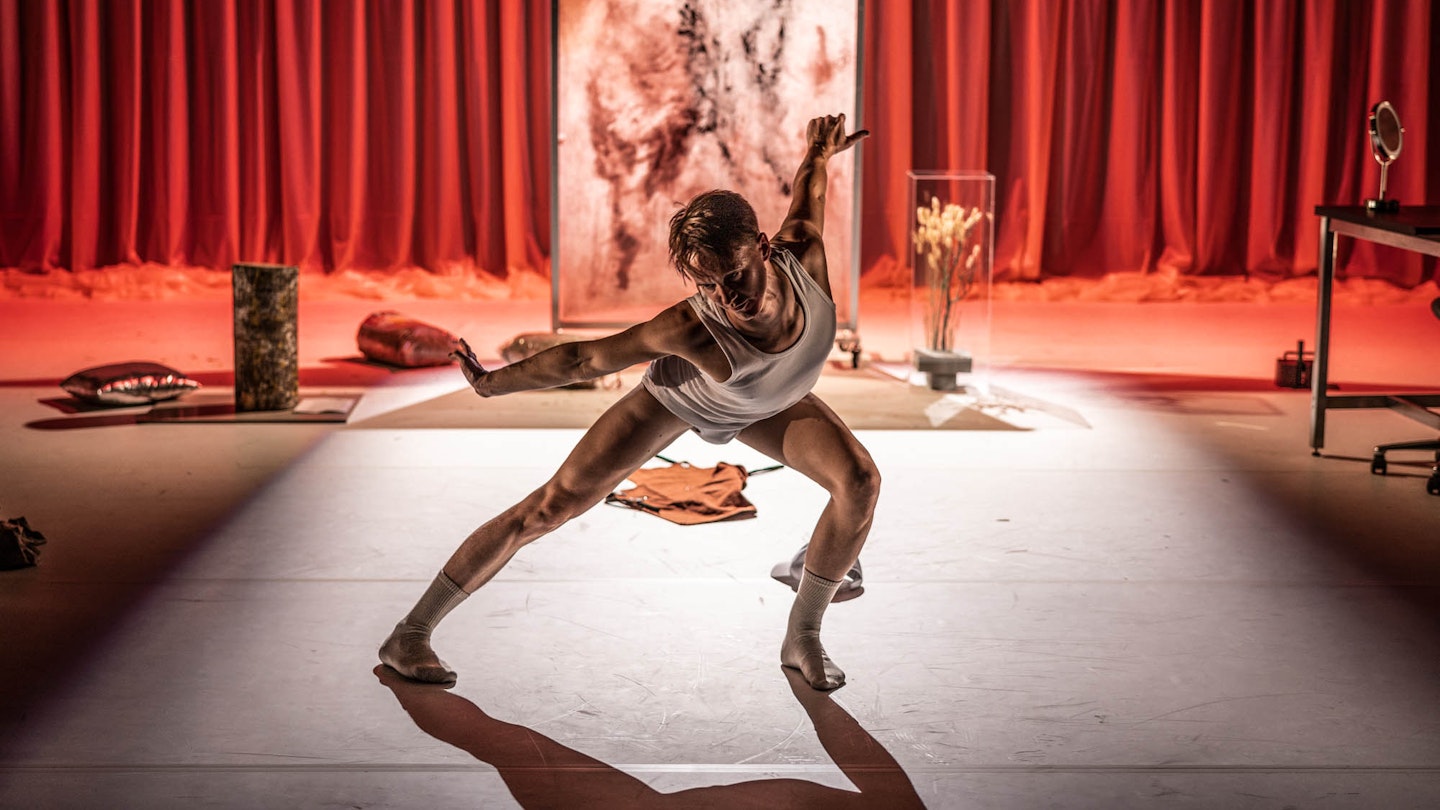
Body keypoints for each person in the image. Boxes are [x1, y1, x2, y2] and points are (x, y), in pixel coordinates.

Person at [379, 113, 877, 691]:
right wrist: (492, 384)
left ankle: (803, 637)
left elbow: (808, 189)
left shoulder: (805, 256)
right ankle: (410, 633)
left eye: (734, 275)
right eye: (706, 284)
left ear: (765, 248)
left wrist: (819, 150)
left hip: (772, 402)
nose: (725, 296)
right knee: (549, 507)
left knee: (859, 481)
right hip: (685, 400)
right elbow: (583, 360)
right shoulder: (692, 329)